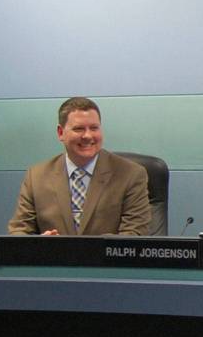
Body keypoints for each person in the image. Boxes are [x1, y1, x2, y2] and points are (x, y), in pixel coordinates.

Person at [8, 97, 150, 236]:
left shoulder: (131, 174)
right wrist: (40, 245)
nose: (88, 136)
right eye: (79, 129)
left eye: (94, 128)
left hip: (107, 260)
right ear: (60, 132)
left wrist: (84, 251)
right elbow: (19, 231)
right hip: (53, 260)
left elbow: (134, 234)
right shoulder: (36, 176)